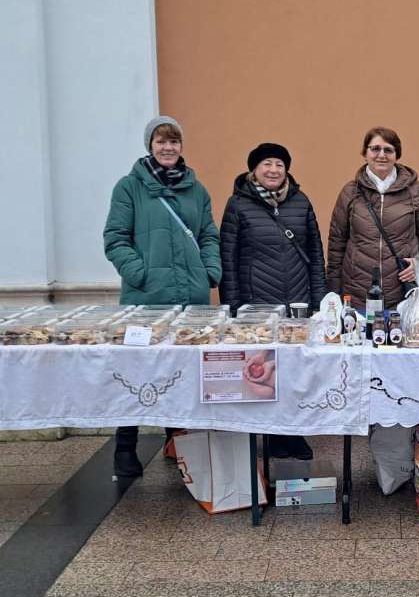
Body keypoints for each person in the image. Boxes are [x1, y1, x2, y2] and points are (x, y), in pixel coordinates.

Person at [103, 115, 222, 477]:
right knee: (136, 371)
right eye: (161, 141)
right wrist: (141, 274)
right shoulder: (129, 187)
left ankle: (178, 441)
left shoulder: (196, 190)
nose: (168, 148)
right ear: (150, 146)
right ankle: (126, 446)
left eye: (174, 141)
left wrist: (210, 271)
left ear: (181, 147)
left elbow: (208, 236)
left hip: (191, 297)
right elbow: (115, 238)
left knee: (182, 371)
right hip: (145, 299)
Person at [220, 142, 326, 459]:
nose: (273, 170)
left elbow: (316, 254)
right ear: (254, 169)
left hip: (298, 302)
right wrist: (234, 306)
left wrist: (319, 299)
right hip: (257, 305)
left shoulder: (301, 202)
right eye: (266, 164)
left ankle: (292, 435)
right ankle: (270, 434)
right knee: (264, 371)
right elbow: (229, 258)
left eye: (279, 165)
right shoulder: (238, 205)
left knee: (295, 371)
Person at [327, 126, 419, 310]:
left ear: (396, 155)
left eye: (388, 150)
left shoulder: (414, 190)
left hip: (402, 289)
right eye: (375, 149)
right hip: (357, 290)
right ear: (365, 153)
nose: (382, 155)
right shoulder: (350, 192)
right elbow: (336, 243)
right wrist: (333, 291)